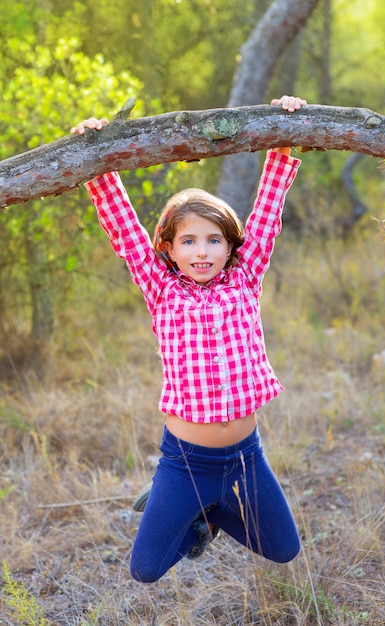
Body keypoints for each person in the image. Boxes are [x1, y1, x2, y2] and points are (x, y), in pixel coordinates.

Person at [71, 95, 307, 583]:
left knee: (283, 549)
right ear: (170, 249)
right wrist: (96, 157)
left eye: (214, 239)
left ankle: (213, 513)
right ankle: (190, 514)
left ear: (230, 245)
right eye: (189, 241)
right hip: (185, 459)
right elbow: (123, 230)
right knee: (146, 569)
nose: (202, 252)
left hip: (246, 456)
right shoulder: (161, 289)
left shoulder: (246, 278)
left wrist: (285, 133)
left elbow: (268, 210)